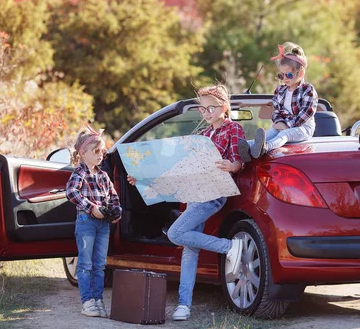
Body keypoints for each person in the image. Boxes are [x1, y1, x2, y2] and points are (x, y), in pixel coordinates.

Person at [127, 84, 245, 321]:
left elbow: (238, 160)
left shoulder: (233, 129)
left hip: (213, 195)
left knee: (175, 233)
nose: (207, 113)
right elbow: (179, 170)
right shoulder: (201, 136)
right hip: (194, 194)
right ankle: (184, 305)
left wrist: (233, 166)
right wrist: (143, 177)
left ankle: (230, 247)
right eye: (202, 109)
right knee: (189, 252)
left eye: (211, 108)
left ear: (223, 107)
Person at [66, 124, 122, 318]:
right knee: (85, 264)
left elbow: (113, 197)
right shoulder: (80, 173)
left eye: (102, 151)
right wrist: (92, 208)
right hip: (86, 222)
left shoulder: (103, 175)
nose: (100, 155)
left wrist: (116, 212)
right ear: (83, 153)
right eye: (95, 151)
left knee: (100, 264)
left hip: (103, 224)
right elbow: (71, 192)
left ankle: (98, 300)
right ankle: (87, 301)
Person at [238, 42, 318, 162]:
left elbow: (306, 113)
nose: (285, 79)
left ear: (301, 73)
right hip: (283, 124)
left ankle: (265, 148)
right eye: (281, 75)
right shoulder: (280, 90)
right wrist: (279, 122)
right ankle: (246, 148)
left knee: (284, 135)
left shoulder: (307, 90)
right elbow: (277, 111)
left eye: (289, 75)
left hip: (303, 128)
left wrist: (287, 126)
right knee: (270, 133)